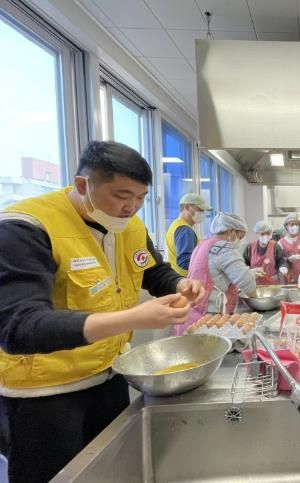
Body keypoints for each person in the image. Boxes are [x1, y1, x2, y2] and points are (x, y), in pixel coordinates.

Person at [0, 141, 204, 482]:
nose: (131, 207)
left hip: (108, 377)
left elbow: (152, 270)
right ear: (83, 185)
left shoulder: (130, 227)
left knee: (110, 470)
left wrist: (179, 284)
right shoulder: (27, 227)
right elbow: (20, 327)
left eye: (141, 198)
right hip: (44, 395)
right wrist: (132, 318)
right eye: (122, 196)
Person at [206, 212, 259, 315]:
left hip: (199, 307)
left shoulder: (204, 245)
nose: (240, 241)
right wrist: (257, 300)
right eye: (240, 237)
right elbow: (246, 281)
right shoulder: (225, 249)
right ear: (231, 231)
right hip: (214, 310)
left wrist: (250, 272)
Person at [165, 193, 211, 276]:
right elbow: (184, 261)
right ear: (187, 207)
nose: (203, 213)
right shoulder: (185, 230)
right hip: (184, 278)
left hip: (174, 276)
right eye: (200, 209)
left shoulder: (176, 225)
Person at [243, 220, 288, 285]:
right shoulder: (250, 247)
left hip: (272, 283)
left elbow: (281, 261)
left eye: (268, 233)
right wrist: (249, 272)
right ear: (257, 233)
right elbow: (244, 265)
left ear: (271, 233)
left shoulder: (275, 246)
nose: (265, 236)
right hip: (255, 284)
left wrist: (283, 267)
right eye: (262, 234)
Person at [278, 214, 300, 283]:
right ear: (286, 226)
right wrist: (288, 259)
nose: (294, 226)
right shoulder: (280, 243)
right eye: (292, 224)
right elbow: (280, 262)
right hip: (289, 278)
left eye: (296, 224)